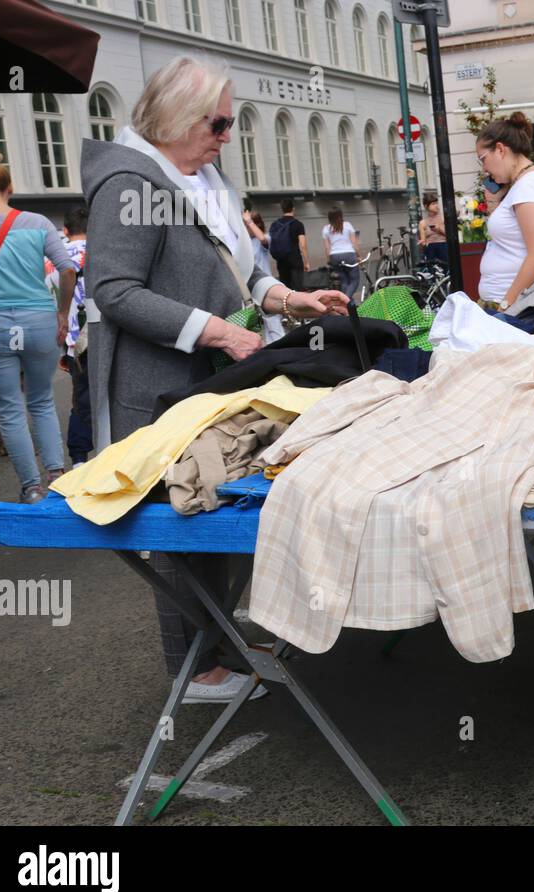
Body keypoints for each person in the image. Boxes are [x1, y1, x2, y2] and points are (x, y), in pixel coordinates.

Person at [82, 56, 348, 702]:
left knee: (211, 504)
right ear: (175, 116)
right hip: (158, 383)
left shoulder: (197, 172)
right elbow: (114, 290)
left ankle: (220, 640)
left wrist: (290, 299)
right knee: (178, 518)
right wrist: (218, 330)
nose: (228, 136)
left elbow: (241, 271)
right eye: (219, 123)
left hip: (205, 379)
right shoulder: (128, 181)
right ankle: (194, 668)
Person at [0, 149, 77, 502]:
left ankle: (32, 487)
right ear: (10, 186)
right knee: (42, 401)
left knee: (9, 407)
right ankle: (58, 475)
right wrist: (62, 313)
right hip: (38, 320)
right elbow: (67, 269)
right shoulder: (38, 222)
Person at [474, 112, 534, 322]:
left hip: (517, 309)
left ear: (500, 149)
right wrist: (495, 202)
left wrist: (506, 306)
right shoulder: (522, 186)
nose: (484, 169)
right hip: (513, 305)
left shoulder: (530, 186)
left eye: (483, 159)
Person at [44, 204, 93, 466]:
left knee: (81, 401)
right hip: (108, 338)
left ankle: (79, 459)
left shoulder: (51, 263)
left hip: (74, 344)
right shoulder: (104, 253)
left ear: (65, 230)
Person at [244, 208, 285, 341]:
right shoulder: (243, 242)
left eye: (247, 225)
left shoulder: (264, 238)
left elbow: (262, 238)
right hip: (249, 289)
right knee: (258, 328)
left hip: (267, 289)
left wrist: (249, 221)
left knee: (274, 324)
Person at [267, 199, 308, 291]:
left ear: (282, 209)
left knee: (285, 290)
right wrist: (306, 262)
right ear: (293, 209)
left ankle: (287, 305)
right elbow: (303, 245)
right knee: (297, 288)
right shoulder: (298, 224)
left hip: (281, 260)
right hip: (295, 260)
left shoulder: (275, 224)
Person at [322, 205, 361, 298]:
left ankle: (348, 307)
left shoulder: (326, 229)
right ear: (341, 215)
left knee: (344, 282)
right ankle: (346, 301)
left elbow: (327, 248)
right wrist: (359, 256)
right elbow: (354, 244)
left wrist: (329, 260)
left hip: (334, 257)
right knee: (354, 281)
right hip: (349, 255)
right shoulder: (348, 225)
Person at [419, 192, 448, 264]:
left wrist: (440, 229)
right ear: (426, 206)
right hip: (430, 249)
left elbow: (451, 235)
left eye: (436, 203)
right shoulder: (422, 223)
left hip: (443, 246)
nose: (436, 205)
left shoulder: (443, 218)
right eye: (433, 204)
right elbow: (423, 241)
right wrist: (422, 242)